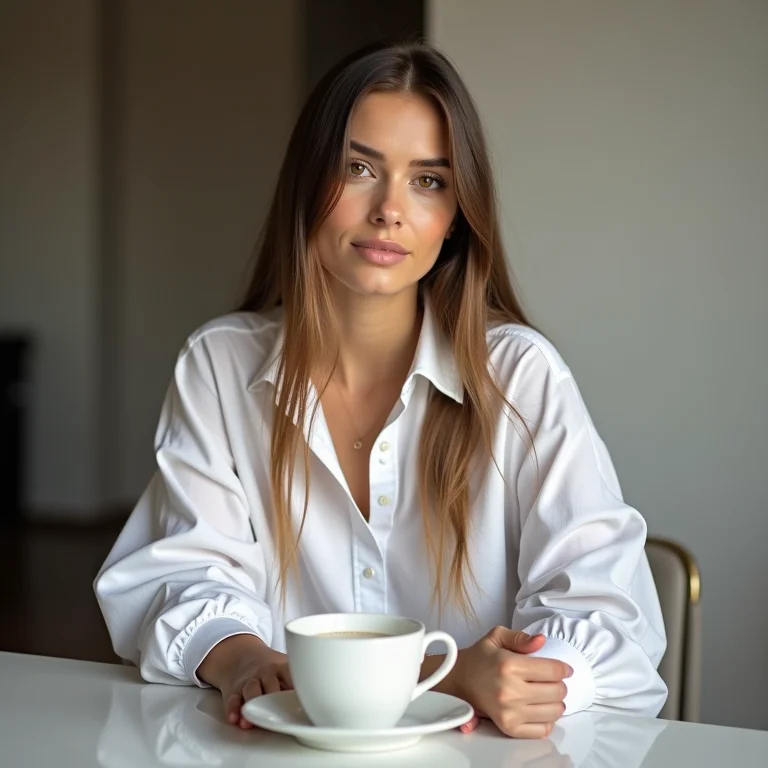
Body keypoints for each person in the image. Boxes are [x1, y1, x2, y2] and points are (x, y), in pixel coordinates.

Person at [94, 42, 667, 740]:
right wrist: (240, 657)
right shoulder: (218, 365)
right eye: (360, 168)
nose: (389, 210)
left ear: (458, 212)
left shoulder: (521, 376)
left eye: (428, 180)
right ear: (308, 183)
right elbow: (181, 572)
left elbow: (607, 612)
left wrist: (521, 679)